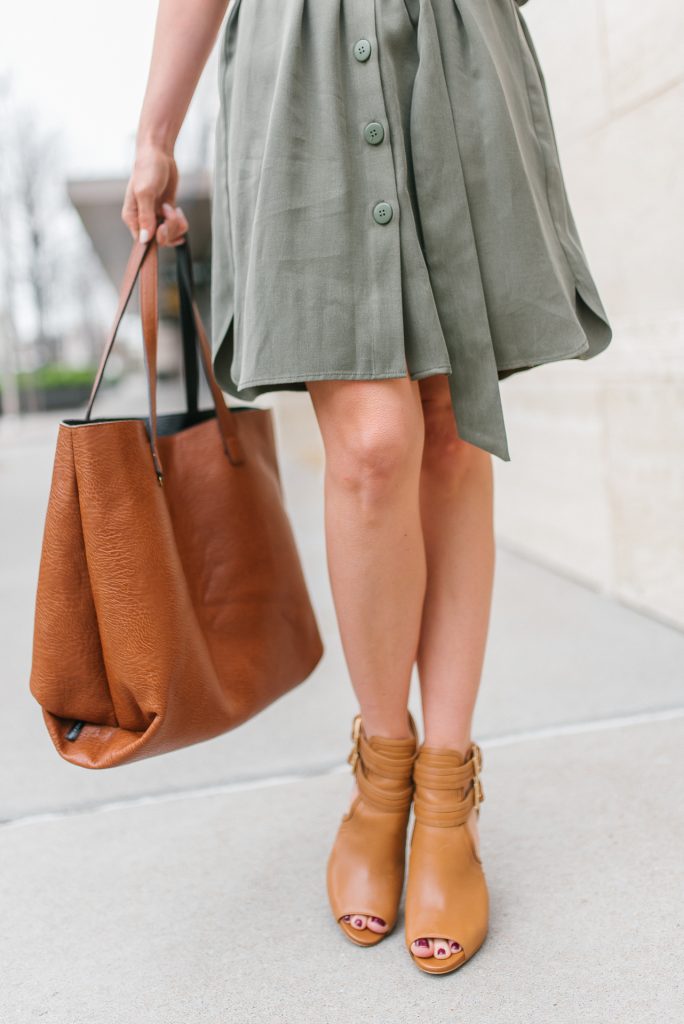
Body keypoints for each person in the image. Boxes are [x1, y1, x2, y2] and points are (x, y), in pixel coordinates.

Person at [122, 0, 612, 975]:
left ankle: (445, 788)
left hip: (455, 49)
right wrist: (154, 130)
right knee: (374, 442)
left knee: (450, 427)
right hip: (298, 64)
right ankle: (381, 768)